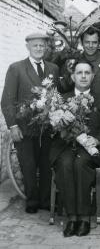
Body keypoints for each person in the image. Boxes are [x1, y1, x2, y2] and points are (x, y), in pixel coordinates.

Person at [50, 58, 100, 237]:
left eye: (87, 73)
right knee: (65, 164)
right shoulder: (62, 99)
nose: (83, 76)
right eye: (79, 73)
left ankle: (84, 218)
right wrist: (58, 124)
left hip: (90, 149)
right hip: (65, 146)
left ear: (93, 76)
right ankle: (72, 218)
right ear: (73, 76)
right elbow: (52, 128)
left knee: (80, 164)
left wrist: (97, 139)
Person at [1, 32, 60, 214]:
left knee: (45, 164)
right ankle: (32, 201)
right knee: (28, 165)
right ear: (28, 47)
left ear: (46, 47)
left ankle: (44, 200)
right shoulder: (16, 68)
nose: (39, 49)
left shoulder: (53, 69)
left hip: (47, 128)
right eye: (35, 46)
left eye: (42, 45)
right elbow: (7, 100)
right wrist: (13, 126)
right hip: (25, 127)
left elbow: (55, 97)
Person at [80, 26, 100, 97]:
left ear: (99, 43)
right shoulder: (75, 61)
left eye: (94, 42)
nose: (90, 46)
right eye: (87, 42)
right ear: (82, 43)